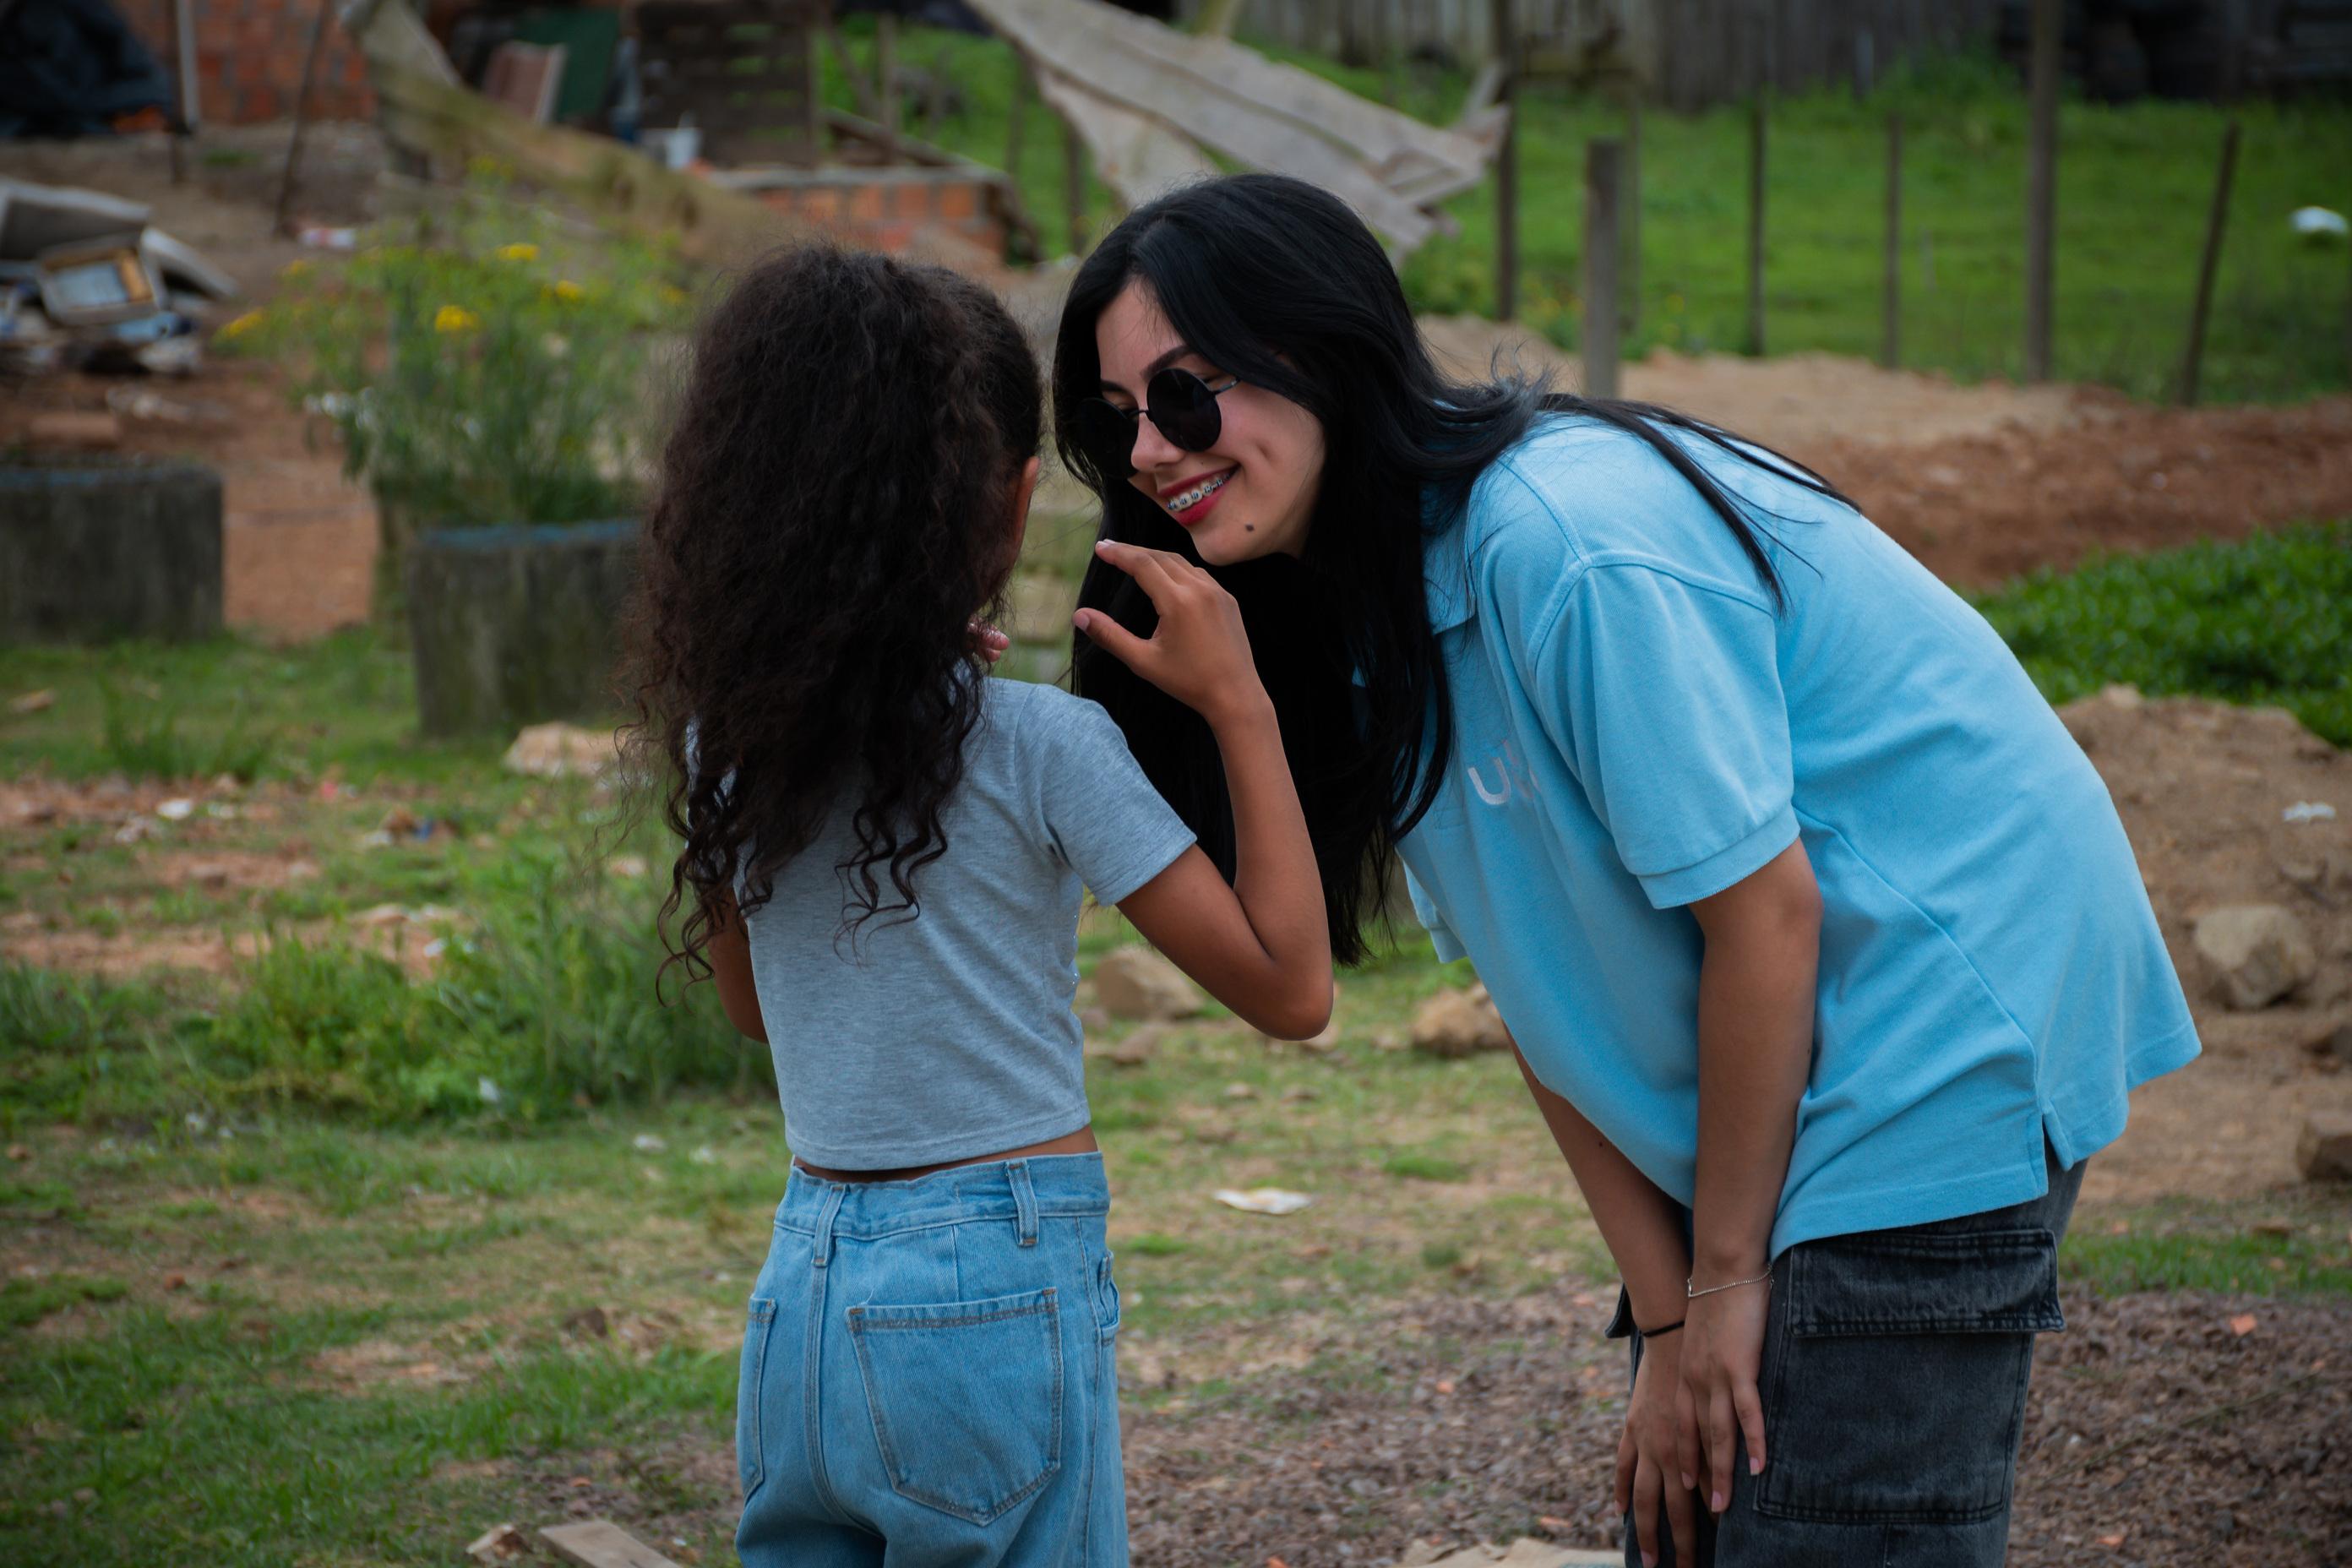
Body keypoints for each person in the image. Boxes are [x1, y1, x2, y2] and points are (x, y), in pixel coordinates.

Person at [1049, 174, 2200, 1568]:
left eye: (1187, 396)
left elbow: (1765, 919)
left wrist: (1728, 1287)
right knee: (1700, 1512)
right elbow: (1546, 998)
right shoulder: (1376, 618)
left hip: (1931, 1026)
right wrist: (1670, 1314)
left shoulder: (1563, 542)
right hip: (1799, 1060)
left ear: (1320, 349)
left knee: (1812, 1525)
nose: (1158, 455)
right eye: (1121, 426)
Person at [622, 246, 1332, 1568]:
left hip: (803, 1294)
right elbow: (1291, 990)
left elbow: (755, 1009)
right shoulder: (1041, 747)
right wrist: (1239, 698)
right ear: (1009, 509)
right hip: (990, 1289)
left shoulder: (730, 742)